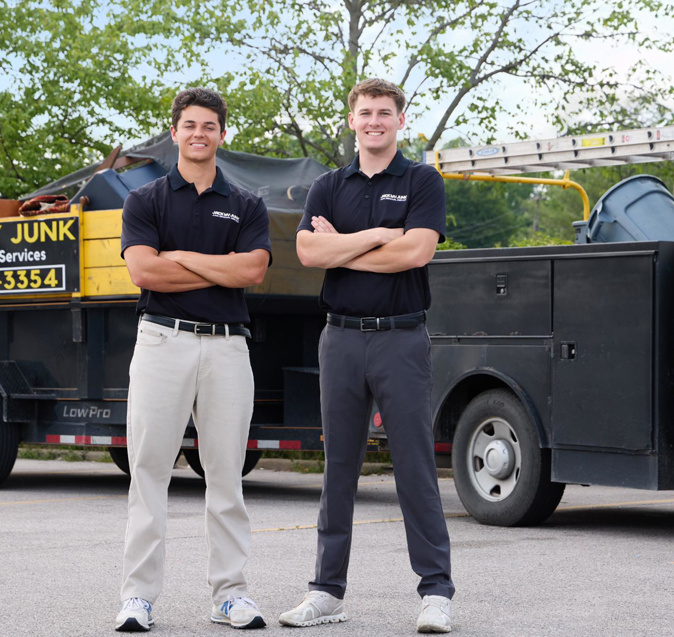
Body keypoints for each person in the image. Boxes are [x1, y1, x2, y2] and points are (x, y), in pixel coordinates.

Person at [278, 78, 455, 633]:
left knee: (414, 467)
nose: (374, 121)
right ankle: (326, 592)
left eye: (384, 113)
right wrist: (381, 235)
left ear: (401, 120)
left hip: (400, 337)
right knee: (339, 469)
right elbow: (308, 251)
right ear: (351, 120)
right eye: (365, 113)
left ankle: (435, 593)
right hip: (342, 338)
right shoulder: (328, 186)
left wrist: (345, 246)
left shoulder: (423, 180)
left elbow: (418, 251)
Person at [115, 87, 271, 632]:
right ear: (175, 132)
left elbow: (252, 271)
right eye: (190, 125)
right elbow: (144, 273)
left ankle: (230, 595)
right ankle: (138, 597)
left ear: (222, 134)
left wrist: (178, 256)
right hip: (162, 341)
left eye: (210, 125)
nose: (199, 134)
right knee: (149, 472)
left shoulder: (248, 204)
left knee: (225, 476)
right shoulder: (146, 200)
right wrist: (216, 265)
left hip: (228, 346)